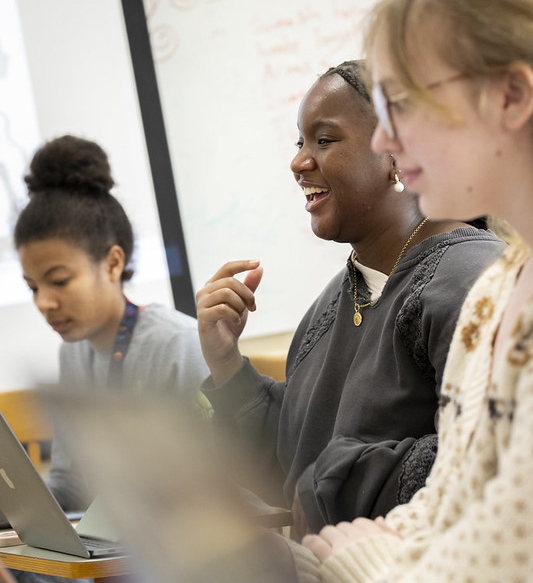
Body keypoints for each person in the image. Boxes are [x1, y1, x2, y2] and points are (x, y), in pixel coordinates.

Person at [196, 60, 505, 537]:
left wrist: (330, 480)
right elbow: (290, 469)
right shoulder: (329, 307)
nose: (299, 162)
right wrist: (226, 363)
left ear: (397, 153)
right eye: (300, 142)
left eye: (325, 140)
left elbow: (489, 458)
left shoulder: (473, 278)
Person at [298, 1, 533, 581]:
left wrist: (361, 558)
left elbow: (506, 555)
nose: (387, 137)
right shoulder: (497, 291)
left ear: (510, 96)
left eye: (402, 103)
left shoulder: (469, 277)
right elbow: (453, 493)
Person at [12, 134, 210, 513]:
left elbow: (221, 488)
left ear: (113, 263)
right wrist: (16, 510)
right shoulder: (73, 352)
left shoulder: (177, 346)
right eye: (33, 287)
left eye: (59, 281)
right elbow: (70, 483)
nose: (44, 302)